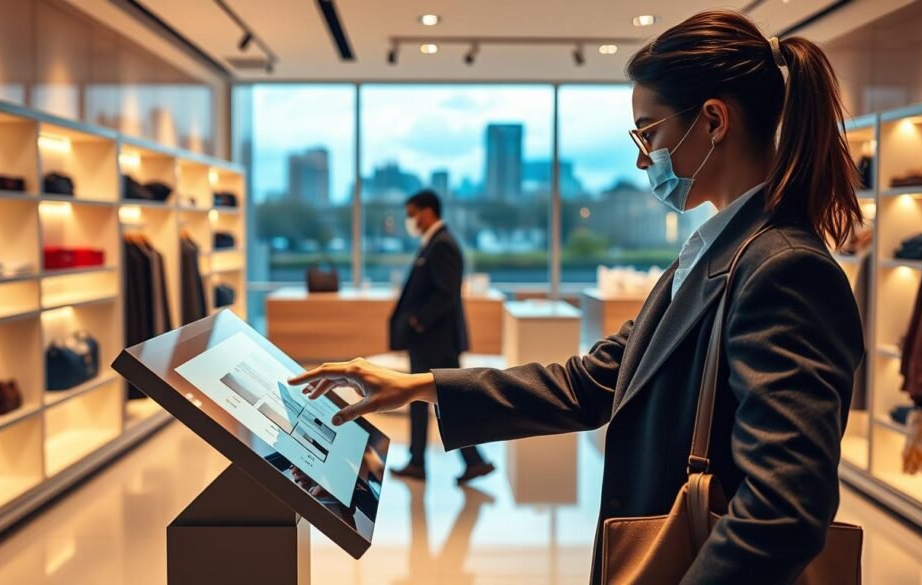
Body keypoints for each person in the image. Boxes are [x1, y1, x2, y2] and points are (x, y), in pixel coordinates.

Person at [291, 9, 864, 584]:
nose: (643, 158)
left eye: (650, 132)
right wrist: (419, 387)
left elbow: (784, 511)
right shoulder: (717, 253)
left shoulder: (783, 270)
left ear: (714, 121)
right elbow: (591, 382)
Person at [387, 190, 495, 484]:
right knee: (434, 401)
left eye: (412, 213)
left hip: (436, 341)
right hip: (430, 341)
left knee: (443, 401)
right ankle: (430, 460)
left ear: (428, 211)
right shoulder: (434, 243)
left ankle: (448, 461)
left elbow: (445, 294)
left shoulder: (442, 245)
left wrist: (417, 321)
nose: (410, 220)